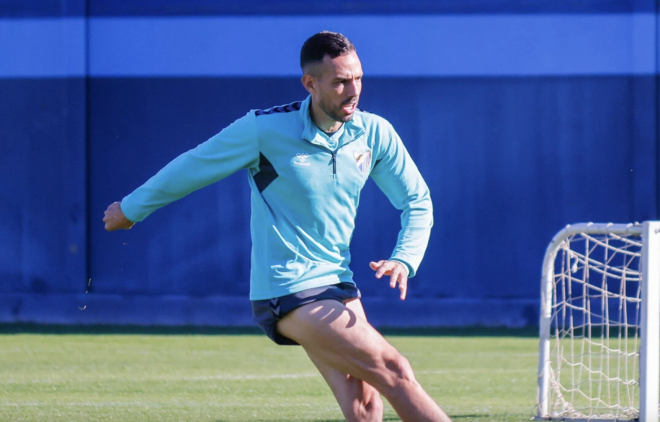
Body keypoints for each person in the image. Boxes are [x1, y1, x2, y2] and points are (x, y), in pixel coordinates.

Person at [103, 31, 452, 422]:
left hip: (338, 282)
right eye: (339, 81)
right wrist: (132, 208)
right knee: (396, 370)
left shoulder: (375, 133)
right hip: (289, 287)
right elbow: (194, 165)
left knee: (365, 407)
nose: (353, 90)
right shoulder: (264, 130)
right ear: (310, 83)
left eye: (358, 78)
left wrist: (404, 259)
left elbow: (417, 202)